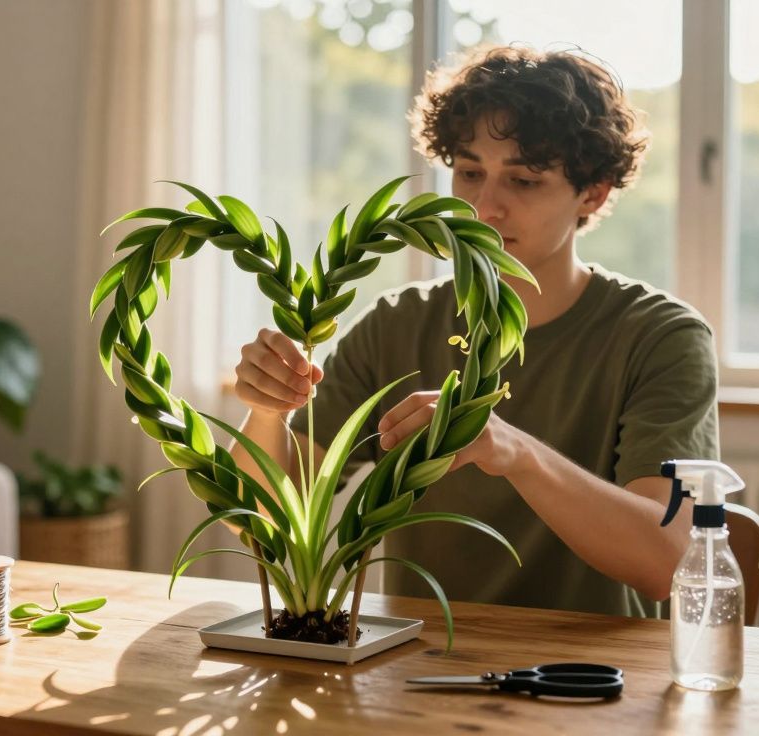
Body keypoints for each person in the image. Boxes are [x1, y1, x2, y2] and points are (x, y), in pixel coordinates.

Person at [228, 44, 718, 616]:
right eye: (469, 173)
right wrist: (268, 412)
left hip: (592, 683)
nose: (484, 208)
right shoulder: (397, 323)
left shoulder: (660, 336)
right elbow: (263, 523)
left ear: (593, 192)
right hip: (418, 666)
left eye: (525, 180)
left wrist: (511, 449)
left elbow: (665, 561)